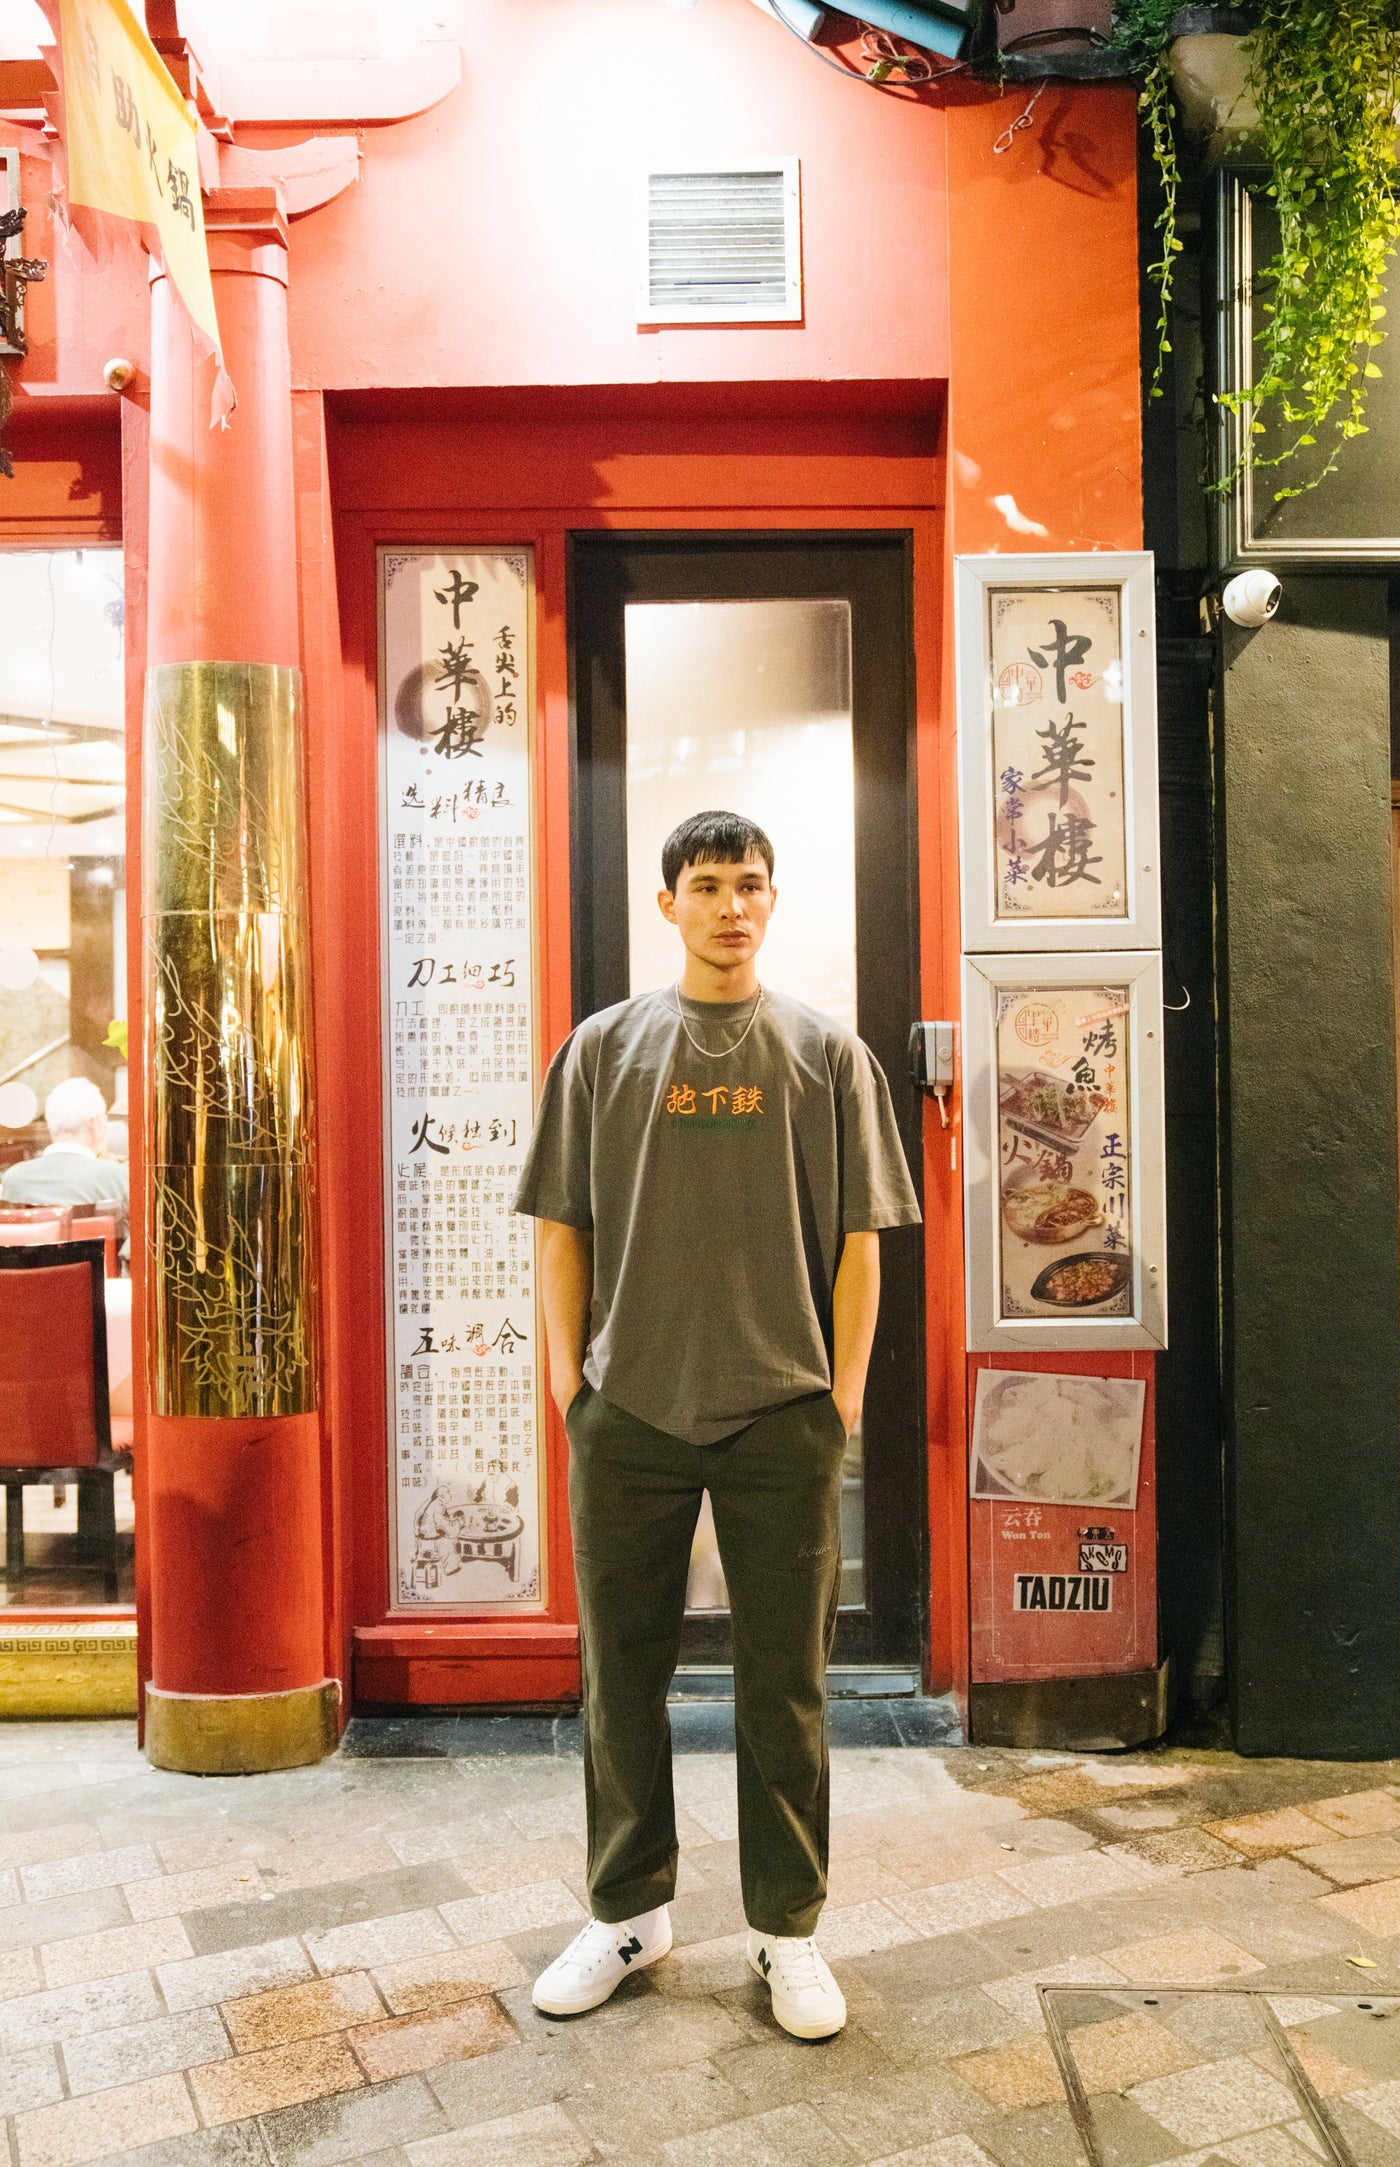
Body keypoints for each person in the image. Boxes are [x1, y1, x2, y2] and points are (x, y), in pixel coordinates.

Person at [513, 810, 919, 2041]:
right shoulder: (603, 1052)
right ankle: (627, 1909)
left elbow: (860, 1244)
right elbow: (558, 1231)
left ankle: (785, 1932)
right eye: (706, 885)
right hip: (626, 1407)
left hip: (781, 1412)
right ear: (667, 905)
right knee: (618, 1672)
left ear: (771, 900)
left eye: (750, 884)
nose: (730, 906)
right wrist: (569, 1393)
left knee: (783, 1683)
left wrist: (839, 1397)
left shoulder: (822, 1054)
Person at [2, 1076, 129, 1247]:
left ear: (49, 1123)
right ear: (96, 1122)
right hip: (98, 1272)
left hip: (24, 1272)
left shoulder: (13, 1179)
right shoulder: (119, 1177)